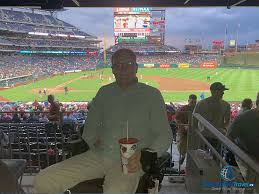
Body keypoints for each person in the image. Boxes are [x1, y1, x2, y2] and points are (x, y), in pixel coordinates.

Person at [33, 48, 172, 194]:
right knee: (43, 180)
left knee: (115, 190)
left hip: (131, 160)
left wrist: (146, 155)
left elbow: (164, 134)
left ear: (136, 67)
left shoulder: (152, 95)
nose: (122, 69)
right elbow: (89, 128)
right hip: (98, 156)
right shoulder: (104, 92)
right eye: (117, 65)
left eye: (128, 64)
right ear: (112, 69)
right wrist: (93, 141)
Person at [227, 93, 259, 193]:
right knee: (252, 185)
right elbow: (229, 137)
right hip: (248, 158)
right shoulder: (243, 118)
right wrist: (242, 155)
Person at [193, 82, 231, 153]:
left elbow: (228, 120)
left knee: (216, 158)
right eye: (221, 90)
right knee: (202, 156)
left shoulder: (226, 105)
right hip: (203, 136)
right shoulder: (201, 104)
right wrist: (196, 133)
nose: (223, 93)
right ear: (213, 91)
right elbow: (194, 120)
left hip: (217, 136)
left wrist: (224, 129)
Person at [176, 94, 197, 164]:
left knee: (193, 147)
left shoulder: (197, 109)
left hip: (194, 132)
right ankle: (183, 155)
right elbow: (177, 119)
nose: (193, 104)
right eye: (192, 102)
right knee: (182, 145)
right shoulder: (183, 109)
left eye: (194, 103)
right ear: (188, 101)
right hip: (184, 132)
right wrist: (183, 126)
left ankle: (190, 160)